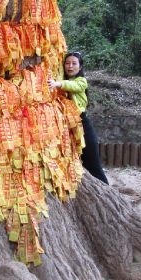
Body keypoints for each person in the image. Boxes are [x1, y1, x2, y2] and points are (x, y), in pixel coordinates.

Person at [48, 51, 110, 184]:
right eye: (67, 63)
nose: (70, 66)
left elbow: (73, 86)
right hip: (68, 127)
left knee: (93, 164)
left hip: (82, 124)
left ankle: (105, 187)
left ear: (80, 67)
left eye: (74, 63)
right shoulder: (62, 79)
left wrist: (57, 84)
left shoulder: (81, 81)